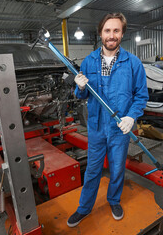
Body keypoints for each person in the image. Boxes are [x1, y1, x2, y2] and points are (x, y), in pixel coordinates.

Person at [67, 13, 149, 227]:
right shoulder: (89, 61)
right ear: (100, 33)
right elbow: (82, 95)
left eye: (116, 31)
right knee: (93, 169)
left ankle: (113, 200)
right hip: (96, 127)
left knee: (117, 168)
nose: (111, 35)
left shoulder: (133, 63)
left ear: (122, 33)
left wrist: (132, 116)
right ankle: (84, 208)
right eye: (107, 31)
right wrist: (81, 87)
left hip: (119, 129)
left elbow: (141, 96)